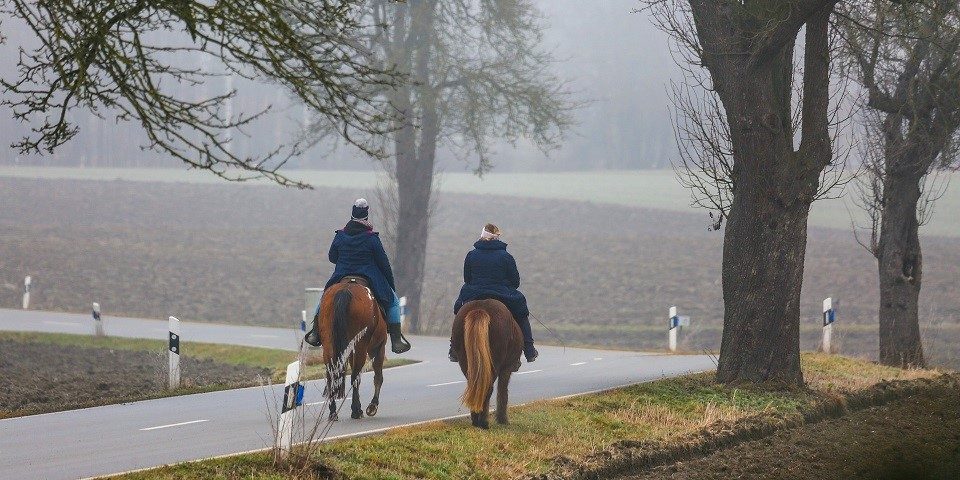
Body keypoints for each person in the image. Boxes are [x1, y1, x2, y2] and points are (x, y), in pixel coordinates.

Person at [311, 198, 411, 354]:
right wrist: (390, 284)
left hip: (342, 274)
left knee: (325, 298)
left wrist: (344, 260)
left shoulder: (340, 236)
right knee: (393, 303)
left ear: (352, 213)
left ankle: (315, 332)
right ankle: (396, 341)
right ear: (366, 215)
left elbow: (332, 257)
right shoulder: (372, 238)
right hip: (368, 276)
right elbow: (383, 263)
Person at [450, 223, 538, 362]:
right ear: (497, 238)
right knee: (521, 312)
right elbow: (515, 281)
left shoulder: (471, 255)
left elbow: (467, 278)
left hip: (474, 292)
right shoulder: (506, 256)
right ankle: (529, 349)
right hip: (501, 293)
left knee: (459, 309)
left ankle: (453, 348)